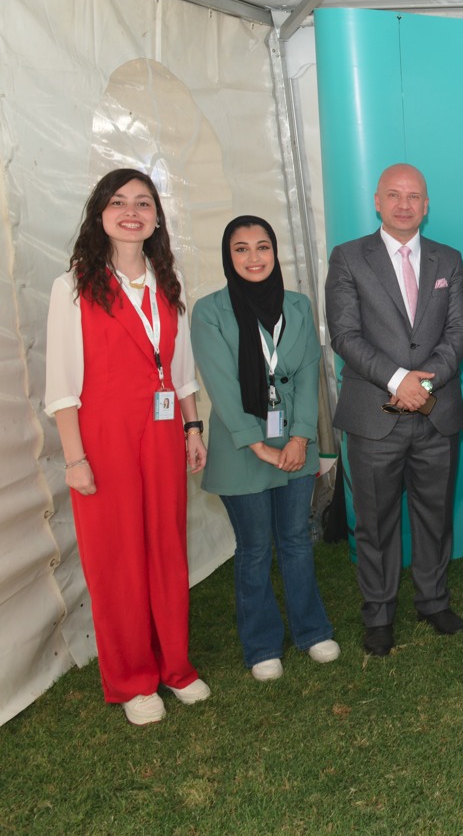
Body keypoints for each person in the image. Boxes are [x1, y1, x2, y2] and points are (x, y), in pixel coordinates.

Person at [45, 168, 210, 725]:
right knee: (116, 557)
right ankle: (132, 679)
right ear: (100, 214)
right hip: (103, 436)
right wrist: (75, 459)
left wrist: (192, 428)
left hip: (162, 432)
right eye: (118, 202)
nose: (131, 212)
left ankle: (175, 666)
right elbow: (62, 385)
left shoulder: (167, 280)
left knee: (166, 545)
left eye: (143, 203)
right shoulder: (73, 286)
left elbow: (180, 368)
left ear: (157, 218)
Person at [325, 163, 463, 656]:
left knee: (435, 516)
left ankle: (433, 601)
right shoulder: (348, 258)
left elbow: (459, 332)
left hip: (436, 414)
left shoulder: (449, 260)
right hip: (375, 417)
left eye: (413, 196)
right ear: (377, 202)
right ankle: (379, 614)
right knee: (375, 523)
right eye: (394, 195)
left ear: (426, 205)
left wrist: (422, 383)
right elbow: (345, 335)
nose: (404, 204)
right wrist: (397, 381)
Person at [191, 216, 338, 681]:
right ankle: (261, 646)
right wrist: (259, 446)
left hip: (295, 443)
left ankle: (312, 631)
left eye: (262, 247)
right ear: (228, 256)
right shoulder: (209, 311)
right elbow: (220, 386)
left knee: (296, 540)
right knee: (254, 548)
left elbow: (309, 375)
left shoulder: (298, 305)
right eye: (241, 249)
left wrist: (300, 437)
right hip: (243, 449)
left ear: (275, 253)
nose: (254, 257)